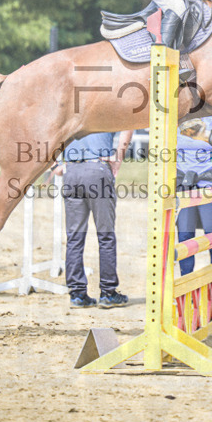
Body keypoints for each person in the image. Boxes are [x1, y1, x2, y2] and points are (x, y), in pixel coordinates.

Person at [61, 130, 133, 309]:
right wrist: (118, 157)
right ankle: (108, 292)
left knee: (74, 237)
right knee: (106, 234)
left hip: (71, 170)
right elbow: (128, 128)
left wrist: (57, 162)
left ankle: (77, 294)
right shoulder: (105, 104)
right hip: (97, 169)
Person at [176, 117, 212, 275]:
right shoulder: (179, 115)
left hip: (209, 184)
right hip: (184, 183)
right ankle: (185, 280)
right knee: (185, 235)